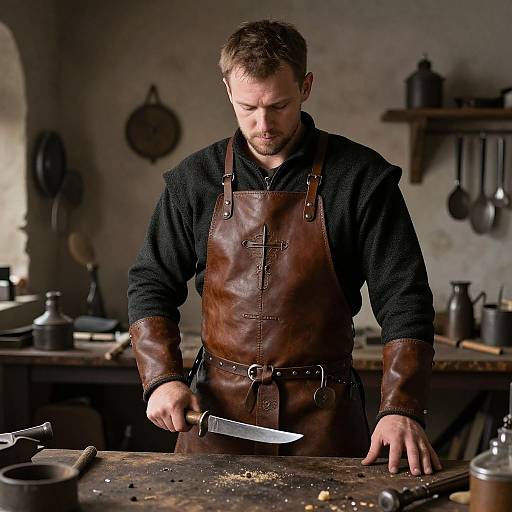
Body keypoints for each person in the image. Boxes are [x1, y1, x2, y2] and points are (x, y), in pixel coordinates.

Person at [128, 19, 442, 475]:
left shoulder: (362, 180)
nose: (263, 123)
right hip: (214, 420)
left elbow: (404, 297)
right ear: (227, 90)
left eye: (278, 105)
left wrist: (402, 407)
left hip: (324, 417)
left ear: (306, 86)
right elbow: (150, 281)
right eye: (247, 107)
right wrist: (161, 379)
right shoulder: (193, 180)